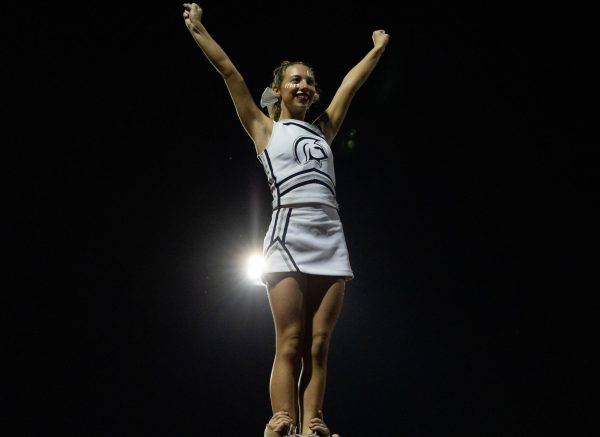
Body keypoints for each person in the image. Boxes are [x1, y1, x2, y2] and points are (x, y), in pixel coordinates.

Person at [182, 4, 389, 436]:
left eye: (310, 81)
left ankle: (313, 422)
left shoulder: (324, 129)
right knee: (291, 341)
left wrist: (378, 49)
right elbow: (229, 73)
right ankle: (282, 419)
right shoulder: (264, 129)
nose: (306, 85)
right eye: (296, 79)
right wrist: (198, 28)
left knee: (319, 344)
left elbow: (351, 86)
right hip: (288, 230)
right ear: (276, 90)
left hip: (330, 233)